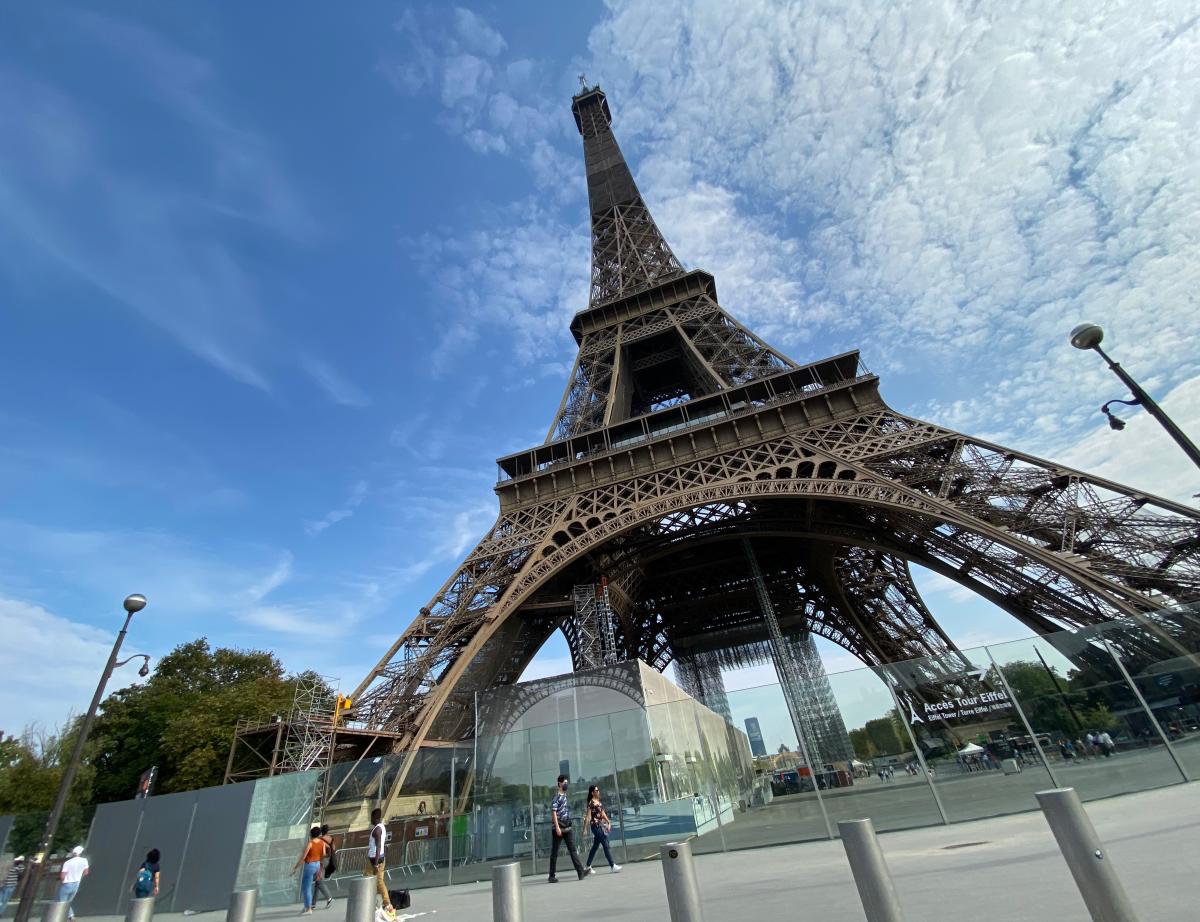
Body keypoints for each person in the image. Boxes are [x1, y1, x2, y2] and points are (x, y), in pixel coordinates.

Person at [547, 774, 586, 883]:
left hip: (567, 826)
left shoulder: (565, 795)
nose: (566, 785)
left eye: (567, 783)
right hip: (558, 828)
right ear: (559, 783)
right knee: (554, 852)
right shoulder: (556, 797)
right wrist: (558, 827)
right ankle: (551, 875)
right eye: (564, 783)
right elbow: (553, 813)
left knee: (572, 849)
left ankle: (580, 872)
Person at [583, 785, 621, 874]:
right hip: (595, 827)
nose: (598, 791)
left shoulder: (598, 802)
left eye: (598, 790)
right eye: (596, 790)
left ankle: (587, 866)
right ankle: (613, 865)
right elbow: (588, 817)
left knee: (595, 846)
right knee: (605, 843)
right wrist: (585, 829)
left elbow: (602, 813)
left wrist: (608, 822)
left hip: (600, 826)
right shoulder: (591, 803)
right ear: (592, 793)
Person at [364, 808, 394, 916]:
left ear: (374, 817)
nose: (370, 819)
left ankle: (374, 903)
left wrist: (375, 863)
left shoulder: (376, 830)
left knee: (367, 881)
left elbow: (378, 846)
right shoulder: (382, 827)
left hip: (374, 859)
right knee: (379, 882)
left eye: (371, 817)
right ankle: (387, 904)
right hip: (380, 858)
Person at [292, 826, 326, 915]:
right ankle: (307, 905)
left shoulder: (310, 843)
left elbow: (303, 857)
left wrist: (295, 867)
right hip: (317, 864)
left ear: (311, 834)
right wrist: (320, 866)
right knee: (309, 886)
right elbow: (324, 854)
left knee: (306, 887)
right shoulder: (322, 843)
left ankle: (308, 908)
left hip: (310, 865)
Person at [59, 846, 89, 921]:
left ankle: (62, 917)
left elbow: (63, 875)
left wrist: (62, 881)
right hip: (76, 883)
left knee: (62, 902)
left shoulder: (67, 862)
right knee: (68, 902)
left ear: (73, 853)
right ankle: (71, 916)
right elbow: (86, 872)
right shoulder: (84, 860)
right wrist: (79, 877)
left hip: (67, 883)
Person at [311, 824, 336, 910]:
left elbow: (326, 848)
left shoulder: (320, 839)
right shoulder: (331, 838)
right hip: (327, 860)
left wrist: (323, 855)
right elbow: (333, 848)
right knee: (317, 882)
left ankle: (329, 898)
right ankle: (313, 904)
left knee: (318, 880)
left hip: (321, 861)